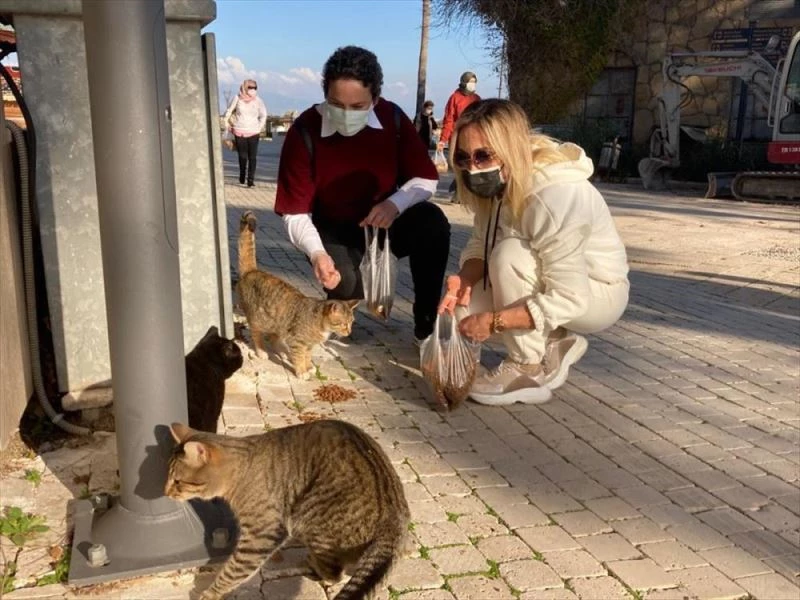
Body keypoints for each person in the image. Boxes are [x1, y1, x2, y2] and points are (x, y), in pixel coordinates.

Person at [438, 99, 629, 406]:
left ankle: (525, 369)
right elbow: (479, 243)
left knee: (509, 256)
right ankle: (554, 341)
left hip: (598, 293)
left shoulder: (554, 196)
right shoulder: (498, 186)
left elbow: (570, 296)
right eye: (462, 158)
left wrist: (494, 322)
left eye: (483, 155)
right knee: (465, 310)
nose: (472, 168)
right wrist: (465, 278)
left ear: (510, 149)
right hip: (557, 285)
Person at [275, 46, 451, 342]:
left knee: (433, 223)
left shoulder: (393, 119)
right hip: (333, 229)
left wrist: (395, 204)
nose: (345, 115)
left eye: (357, 107)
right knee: (347, 287)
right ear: (324, 94)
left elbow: (425, 178)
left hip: (384, 221)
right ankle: (341, 297)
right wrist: (317, 255)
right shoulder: (304, 131)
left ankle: (427, 325)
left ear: (376, 99)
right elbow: (294, 212)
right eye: (336, 104)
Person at [224, 79, 267, 187]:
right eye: (250, 87)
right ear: (245, 87)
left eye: (255, 88)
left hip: (254, 132)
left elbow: (263, 114)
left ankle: (251, 179)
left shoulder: (258, 101)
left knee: (252, 157)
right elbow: (229, 111)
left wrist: (259, 126)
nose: (253, 90)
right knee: (242, 156)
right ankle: (242, 174)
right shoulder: (237, 98)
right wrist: (226, 123)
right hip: (239, 131)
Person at [437, 71, 480, 152]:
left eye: (474, 82)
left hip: (474, 138)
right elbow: (449, 120)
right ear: (464, 82)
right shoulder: (455, 98)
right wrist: (443, 140)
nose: (473, 84)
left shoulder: (477, 98)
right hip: (457, 139)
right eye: (471, 82)